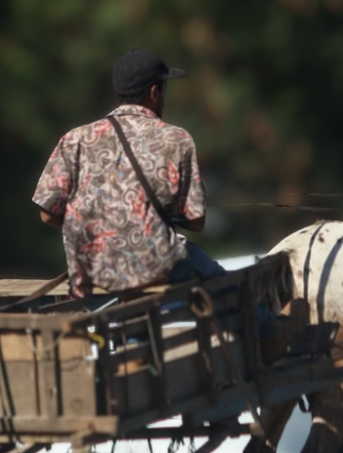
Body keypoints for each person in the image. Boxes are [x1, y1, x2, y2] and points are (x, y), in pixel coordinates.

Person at [32, 48, 225, 297]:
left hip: (91, 273)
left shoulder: (74, 139)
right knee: (223, 280)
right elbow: (196, 221)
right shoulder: (176, 139)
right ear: (155, 92)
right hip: (155, 269)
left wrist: (96, 233)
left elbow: (47, 215)